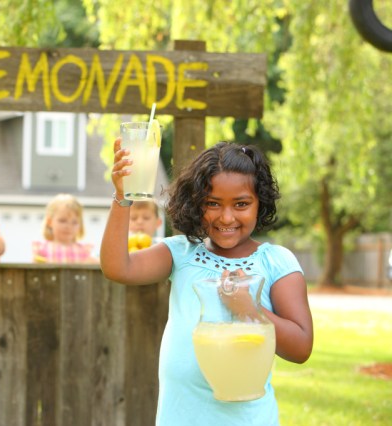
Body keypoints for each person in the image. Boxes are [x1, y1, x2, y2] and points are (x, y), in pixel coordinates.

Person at [101, 140, 313, 425]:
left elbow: (301, 348)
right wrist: (122, 197)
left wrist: (249, 309)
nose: (226, 217)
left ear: (259, 201)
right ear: (195, 203)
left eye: (241, 204)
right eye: (213, 203)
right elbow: (117, 268)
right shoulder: (180, 253)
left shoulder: (275, 262)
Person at [32, 193, 98, 263]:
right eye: (62, 221)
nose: (68, 226)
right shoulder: (42, 251)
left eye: (74, 222)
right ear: (50, 222)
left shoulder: (84, 252)